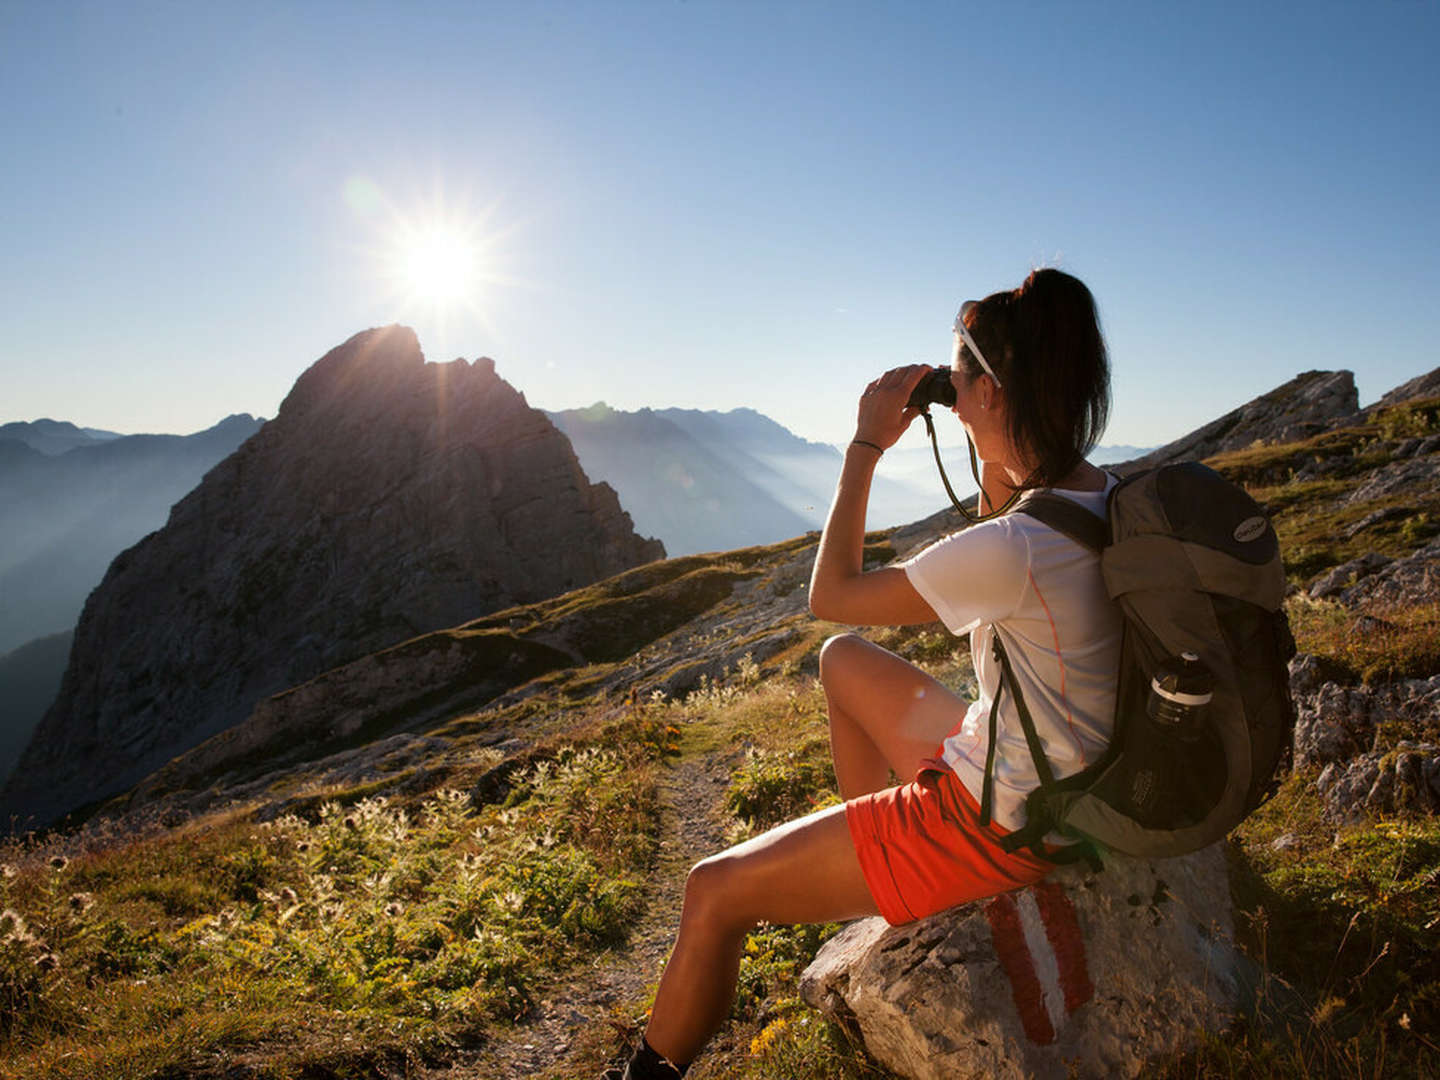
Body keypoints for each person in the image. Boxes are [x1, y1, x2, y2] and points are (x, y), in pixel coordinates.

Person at [604, 268, 1121, 1080]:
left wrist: (866, 445)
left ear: (992, 392)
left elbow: (831, 592)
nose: (954, 388)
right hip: (1064, 781)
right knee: (843, 662)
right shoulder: (1097, 494)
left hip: (1001, 824)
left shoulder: (1016, 548)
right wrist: (988, 422)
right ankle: (871, 867)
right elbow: (1005, 530)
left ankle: (646, 1074)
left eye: (963, 377)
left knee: (711, 892)